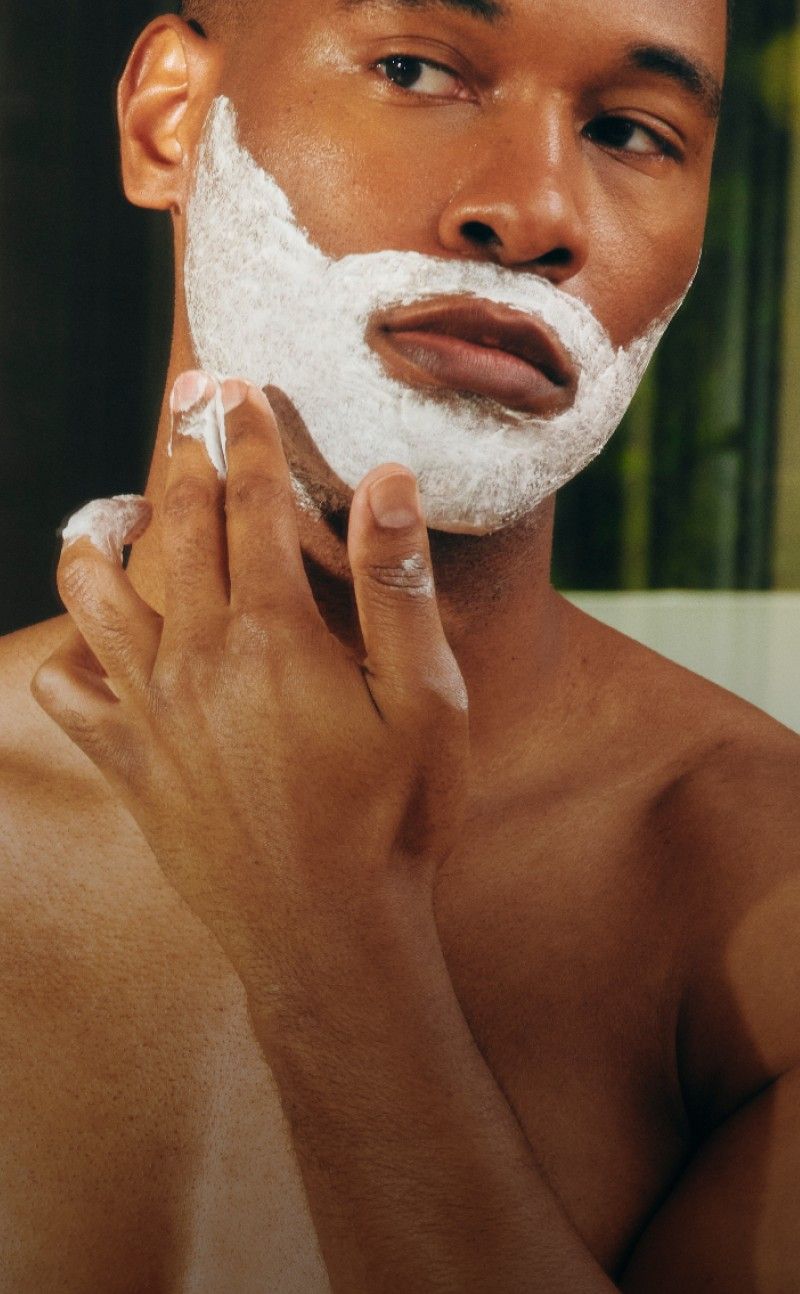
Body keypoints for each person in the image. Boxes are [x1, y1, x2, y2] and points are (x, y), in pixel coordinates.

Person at [2, 0, 799, 1289]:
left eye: (630, 131)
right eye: (417, 69)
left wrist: (330, 937)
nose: (536, 211)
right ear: (171, 122)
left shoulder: (765, 908)